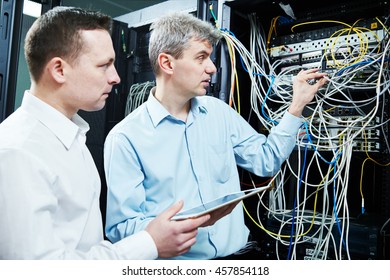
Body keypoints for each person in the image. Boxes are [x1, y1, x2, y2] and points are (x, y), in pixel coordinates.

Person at [103, 12, 327, 259]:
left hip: (240, 256)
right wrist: (181, 226)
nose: (211, 67)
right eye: (201, 58)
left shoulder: (218, 113)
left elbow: (266, 161)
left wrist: (297, 106)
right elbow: (121, 230)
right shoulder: (125, 138)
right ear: (167, 63)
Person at [0, 7, 210, 260]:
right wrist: (149, 243)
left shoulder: (73, 137)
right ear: (59, 70)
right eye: (104, 65)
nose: (116, 77)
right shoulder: (18, 152)